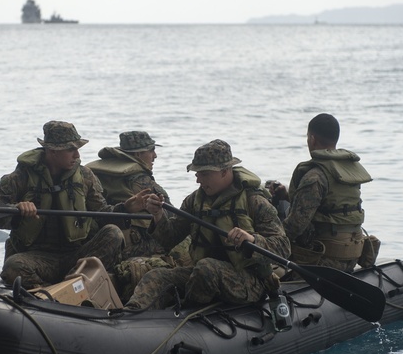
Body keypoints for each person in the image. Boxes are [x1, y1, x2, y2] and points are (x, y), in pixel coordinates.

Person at [125, 140, 290, 311]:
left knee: (207, 268)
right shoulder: (194, 201)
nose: (198, 180)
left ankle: (187, 314)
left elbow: (283, 248)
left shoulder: (255, 201)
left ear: (225, 171)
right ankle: (130, 314)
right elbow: (170, 239)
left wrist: (252, 241)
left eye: (204, 174)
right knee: (157, 275)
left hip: (248, 280)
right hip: (201, 274)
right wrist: (158, 215)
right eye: (197, 174)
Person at [0, 120, 147, 289]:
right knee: (14, 266)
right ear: (52, 151)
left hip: (75, 256)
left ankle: (71, 284)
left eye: (77, 149)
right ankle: (51, 292)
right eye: (71, 149)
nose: (77, 155)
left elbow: (101, 213)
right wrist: (16, 210)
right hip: (38, 258)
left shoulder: (85, 175)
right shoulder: (22, 176)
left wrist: (125, 209)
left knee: (113, 234)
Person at [267, 113, 371, 272]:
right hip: (352, 255)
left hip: (323, 259)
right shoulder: (346, 172)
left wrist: (264, 242)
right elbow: (330, 206)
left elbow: (294, 227)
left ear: (312, 139)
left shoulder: (314, 177)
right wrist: (288, 196)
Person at [86, 131, 171, 259]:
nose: (155, 155)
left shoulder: (99, 173)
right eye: (151, 150)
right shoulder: (141, 180)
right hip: (131, 243)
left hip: (103, 237)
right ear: (138, 154)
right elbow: (170, 214)